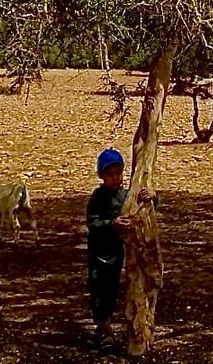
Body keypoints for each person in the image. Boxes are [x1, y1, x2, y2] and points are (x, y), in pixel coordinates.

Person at [86, 148, 128, 347]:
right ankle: (103, 328)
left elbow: (150, 205)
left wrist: (152, 196)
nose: (115, 178)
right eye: (110, 174)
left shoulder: (125, 195)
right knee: (98, 290)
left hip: (116, 252)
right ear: (102, 176)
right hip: (98, 253)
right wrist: (112, 224)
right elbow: (92, 224)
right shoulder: (98, 197)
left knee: (111, 290)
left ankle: (106, 325)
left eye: (118, 173)